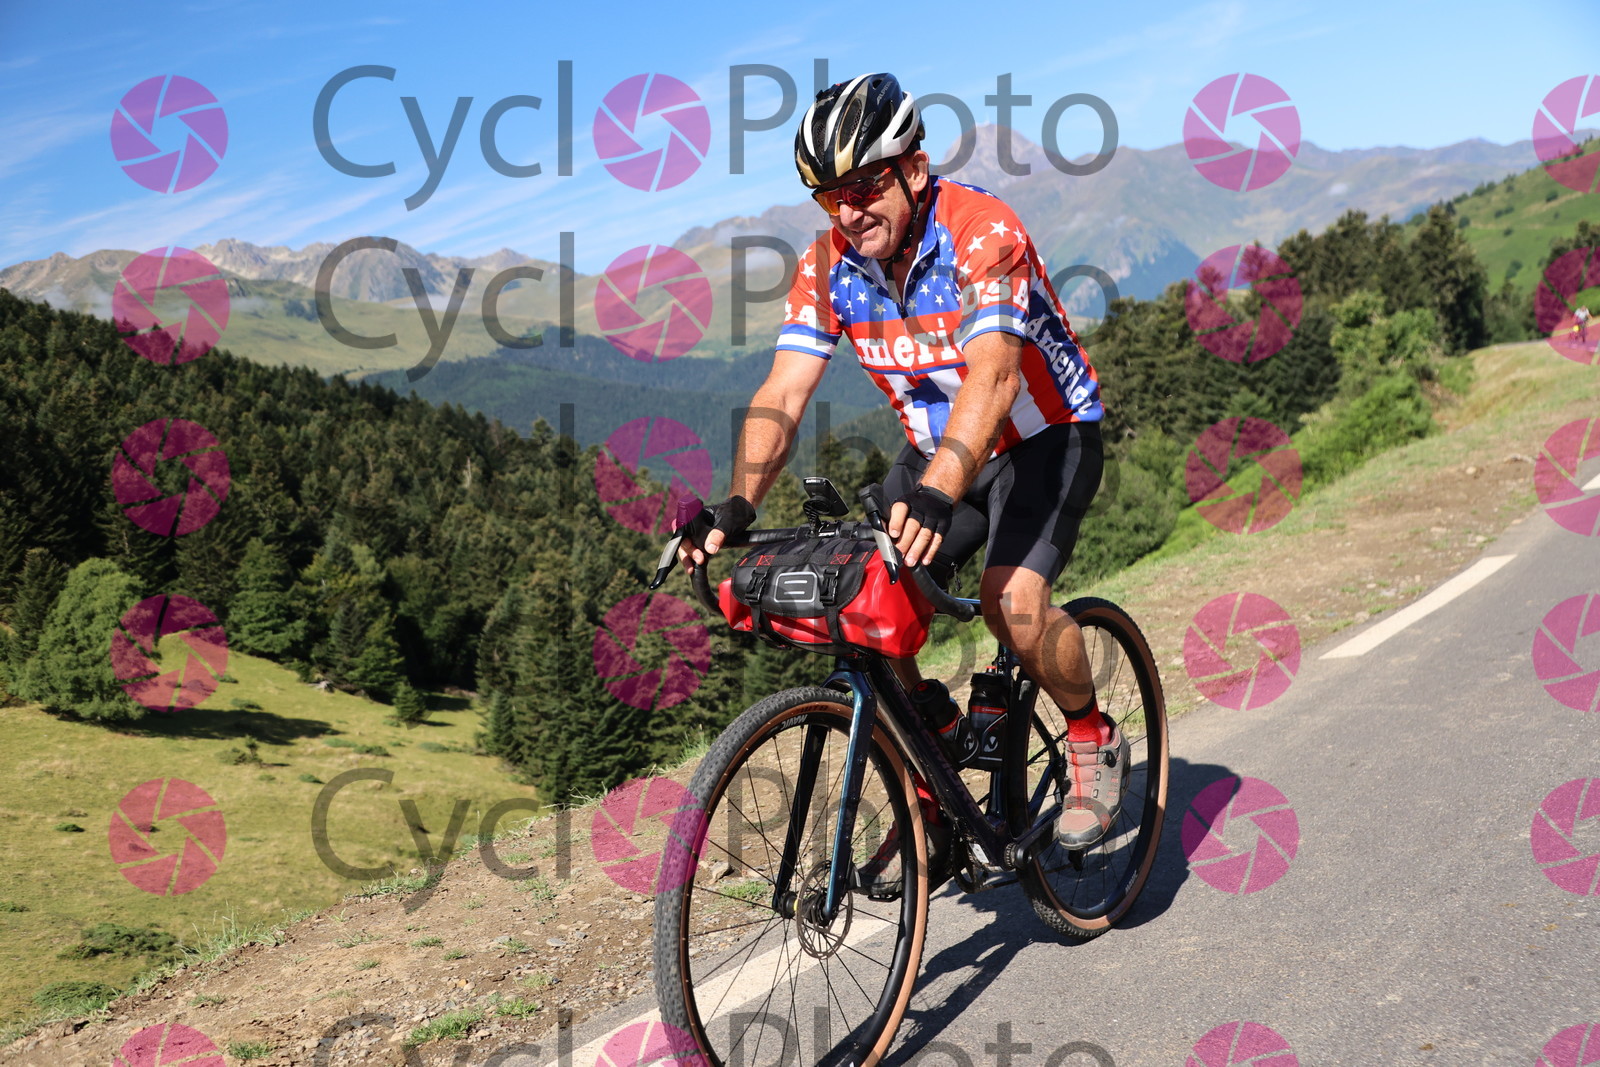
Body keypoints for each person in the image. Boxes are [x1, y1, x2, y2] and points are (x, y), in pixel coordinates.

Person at [681, 73, 1122, 848]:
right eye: (830, 198)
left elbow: (994, 377)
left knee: (1012, 602)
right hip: (936, 448)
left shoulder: (982, 231)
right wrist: (739, 502)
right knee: (855, 601)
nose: (849, 212)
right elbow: (783, 392)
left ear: (914, 169)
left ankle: (1092, 735)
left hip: (1044, 434)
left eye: (864, 187)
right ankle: (933, 768)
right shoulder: (827, 266)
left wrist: (937, 491)